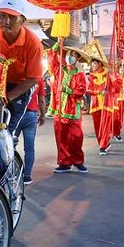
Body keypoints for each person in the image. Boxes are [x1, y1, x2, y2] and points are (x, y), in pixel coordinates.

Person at [0, 0, 42, 135]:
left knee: (7, 131)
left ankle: (9, 152)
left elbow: (33, 79)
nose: (5, 21)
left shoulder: (34, 45)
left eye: (12, 17)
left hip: (19, 88)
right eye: (2, 16)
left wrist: (8, 97)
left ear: (22, 20)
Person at [47, 45, 88, 173]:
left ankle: (78, 161)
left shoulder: (80, 75)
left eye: (73, 55)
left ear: (77, 59)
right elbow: (51, 60)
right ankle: (64, 162)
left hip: (73, 109)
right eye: (69, 54)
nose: (70, 57)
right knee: (61, 137)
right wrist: (57, 45)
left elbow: (81, 90)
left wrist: (68, 90)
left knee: (76, 136)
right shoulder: (60, 70)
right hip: (60, 109)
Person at [14, 76, 46, 184]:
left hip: (16, 114)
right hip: (31, 115)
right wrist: (43, 115)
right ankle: (27, 176)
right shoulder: (39, 79)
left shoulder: (18, 76)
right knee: (29, 148)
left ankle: (8, 172)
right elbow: (41, 100)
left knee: (10, 144)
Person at [86, 54, 120, 155]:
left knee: (105, 126)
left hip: (107, 104)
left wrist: (112, 76)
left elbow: (117, 88)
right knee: (97, 128)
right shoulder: (90, 77)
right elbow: (88, 90)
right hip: (95, 105)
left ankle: (102, 146)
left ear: (100, 63)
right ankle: (103, 142)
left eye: (95, 63)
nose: (93, 65)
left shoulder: (108, 74)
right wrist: (99, 92)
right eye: (92, 64)